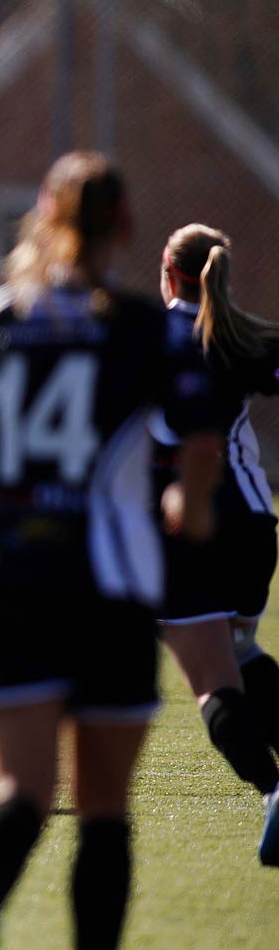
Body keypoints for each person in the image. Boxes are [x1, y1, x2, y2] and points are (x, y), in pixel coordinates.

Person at [0, 152, 222, 950]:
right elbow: (200, 434)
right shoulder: (145, 331)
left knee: (24, 791)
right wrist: (186, 512)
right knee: (105, 809)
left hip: (5, 580)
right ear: (123, 228)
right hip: (107, 583)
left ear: (43, 219)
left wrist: (9, 474)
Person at [149, 224, 279, 867]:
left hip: (183, 526)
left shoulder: (145, 336)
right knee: (240, 650)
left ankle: (275, 789)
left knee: (212, 678)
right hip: (254, 525)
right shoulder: (243, 335)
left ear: (168, 275)